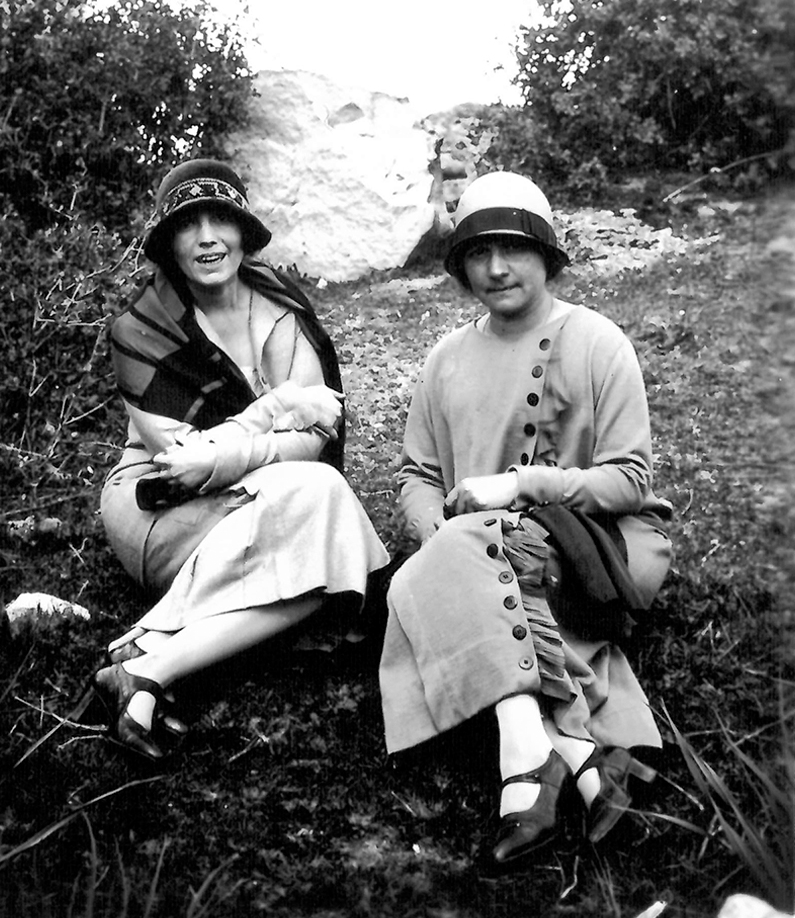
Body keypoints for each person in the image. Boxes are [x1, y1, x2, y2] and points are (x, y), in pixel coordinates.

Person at [378, 172, 674, 866]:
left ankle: (527, 761)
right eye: (477, 254)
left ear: (545, 256)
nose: (495, 268)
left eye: (512, 249)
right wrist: (441, 540)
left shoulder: (597, 340)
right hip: (485, 547)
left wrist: (518, 485)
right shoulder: (445, 358)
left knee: (443, 574)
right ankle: (576, 756)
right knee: (439, 563)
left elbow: (628, 479)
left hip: (601, 544)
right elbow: (417, 476)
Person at [94, 158, 390, 760]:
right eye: (188, 225)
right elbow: (183, 463)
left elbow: (317, 435)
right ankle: (157, 656)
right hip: (157, 504)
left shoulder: (280, 307)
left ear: (242, 231)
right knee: (326, 517)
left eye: (220, 219)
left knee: (320, 505)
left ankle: (148, 667)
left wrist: (247, 450)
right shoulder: (143, 329)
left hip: (272, 492)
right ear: (168, 243)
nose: (207, 237)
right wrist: (278, 406)